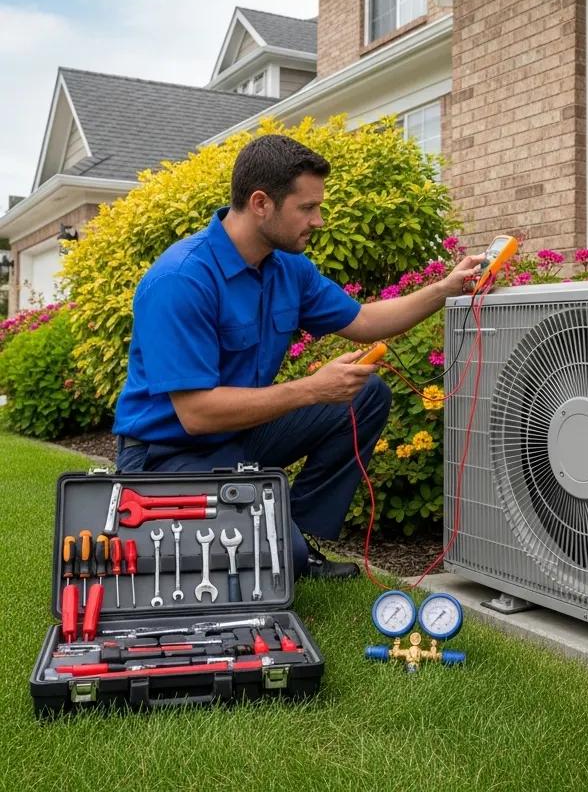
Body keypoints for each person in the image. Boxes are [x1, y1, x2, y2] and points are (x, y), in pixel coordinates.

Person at [112, 133, 482, 579]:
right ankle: (281, 542)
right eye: (307, 208)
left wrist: (445, 289)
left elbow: (362, 320)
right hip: (165, 452)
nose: (319, 220)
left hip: (237, 434)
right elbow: (196, 414)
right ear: (262, 203)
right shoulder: (181, 279)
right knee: (277, 559)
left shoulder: (288, 268)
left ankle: (295, 534)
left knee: (365, 395)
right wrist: (310, 389)